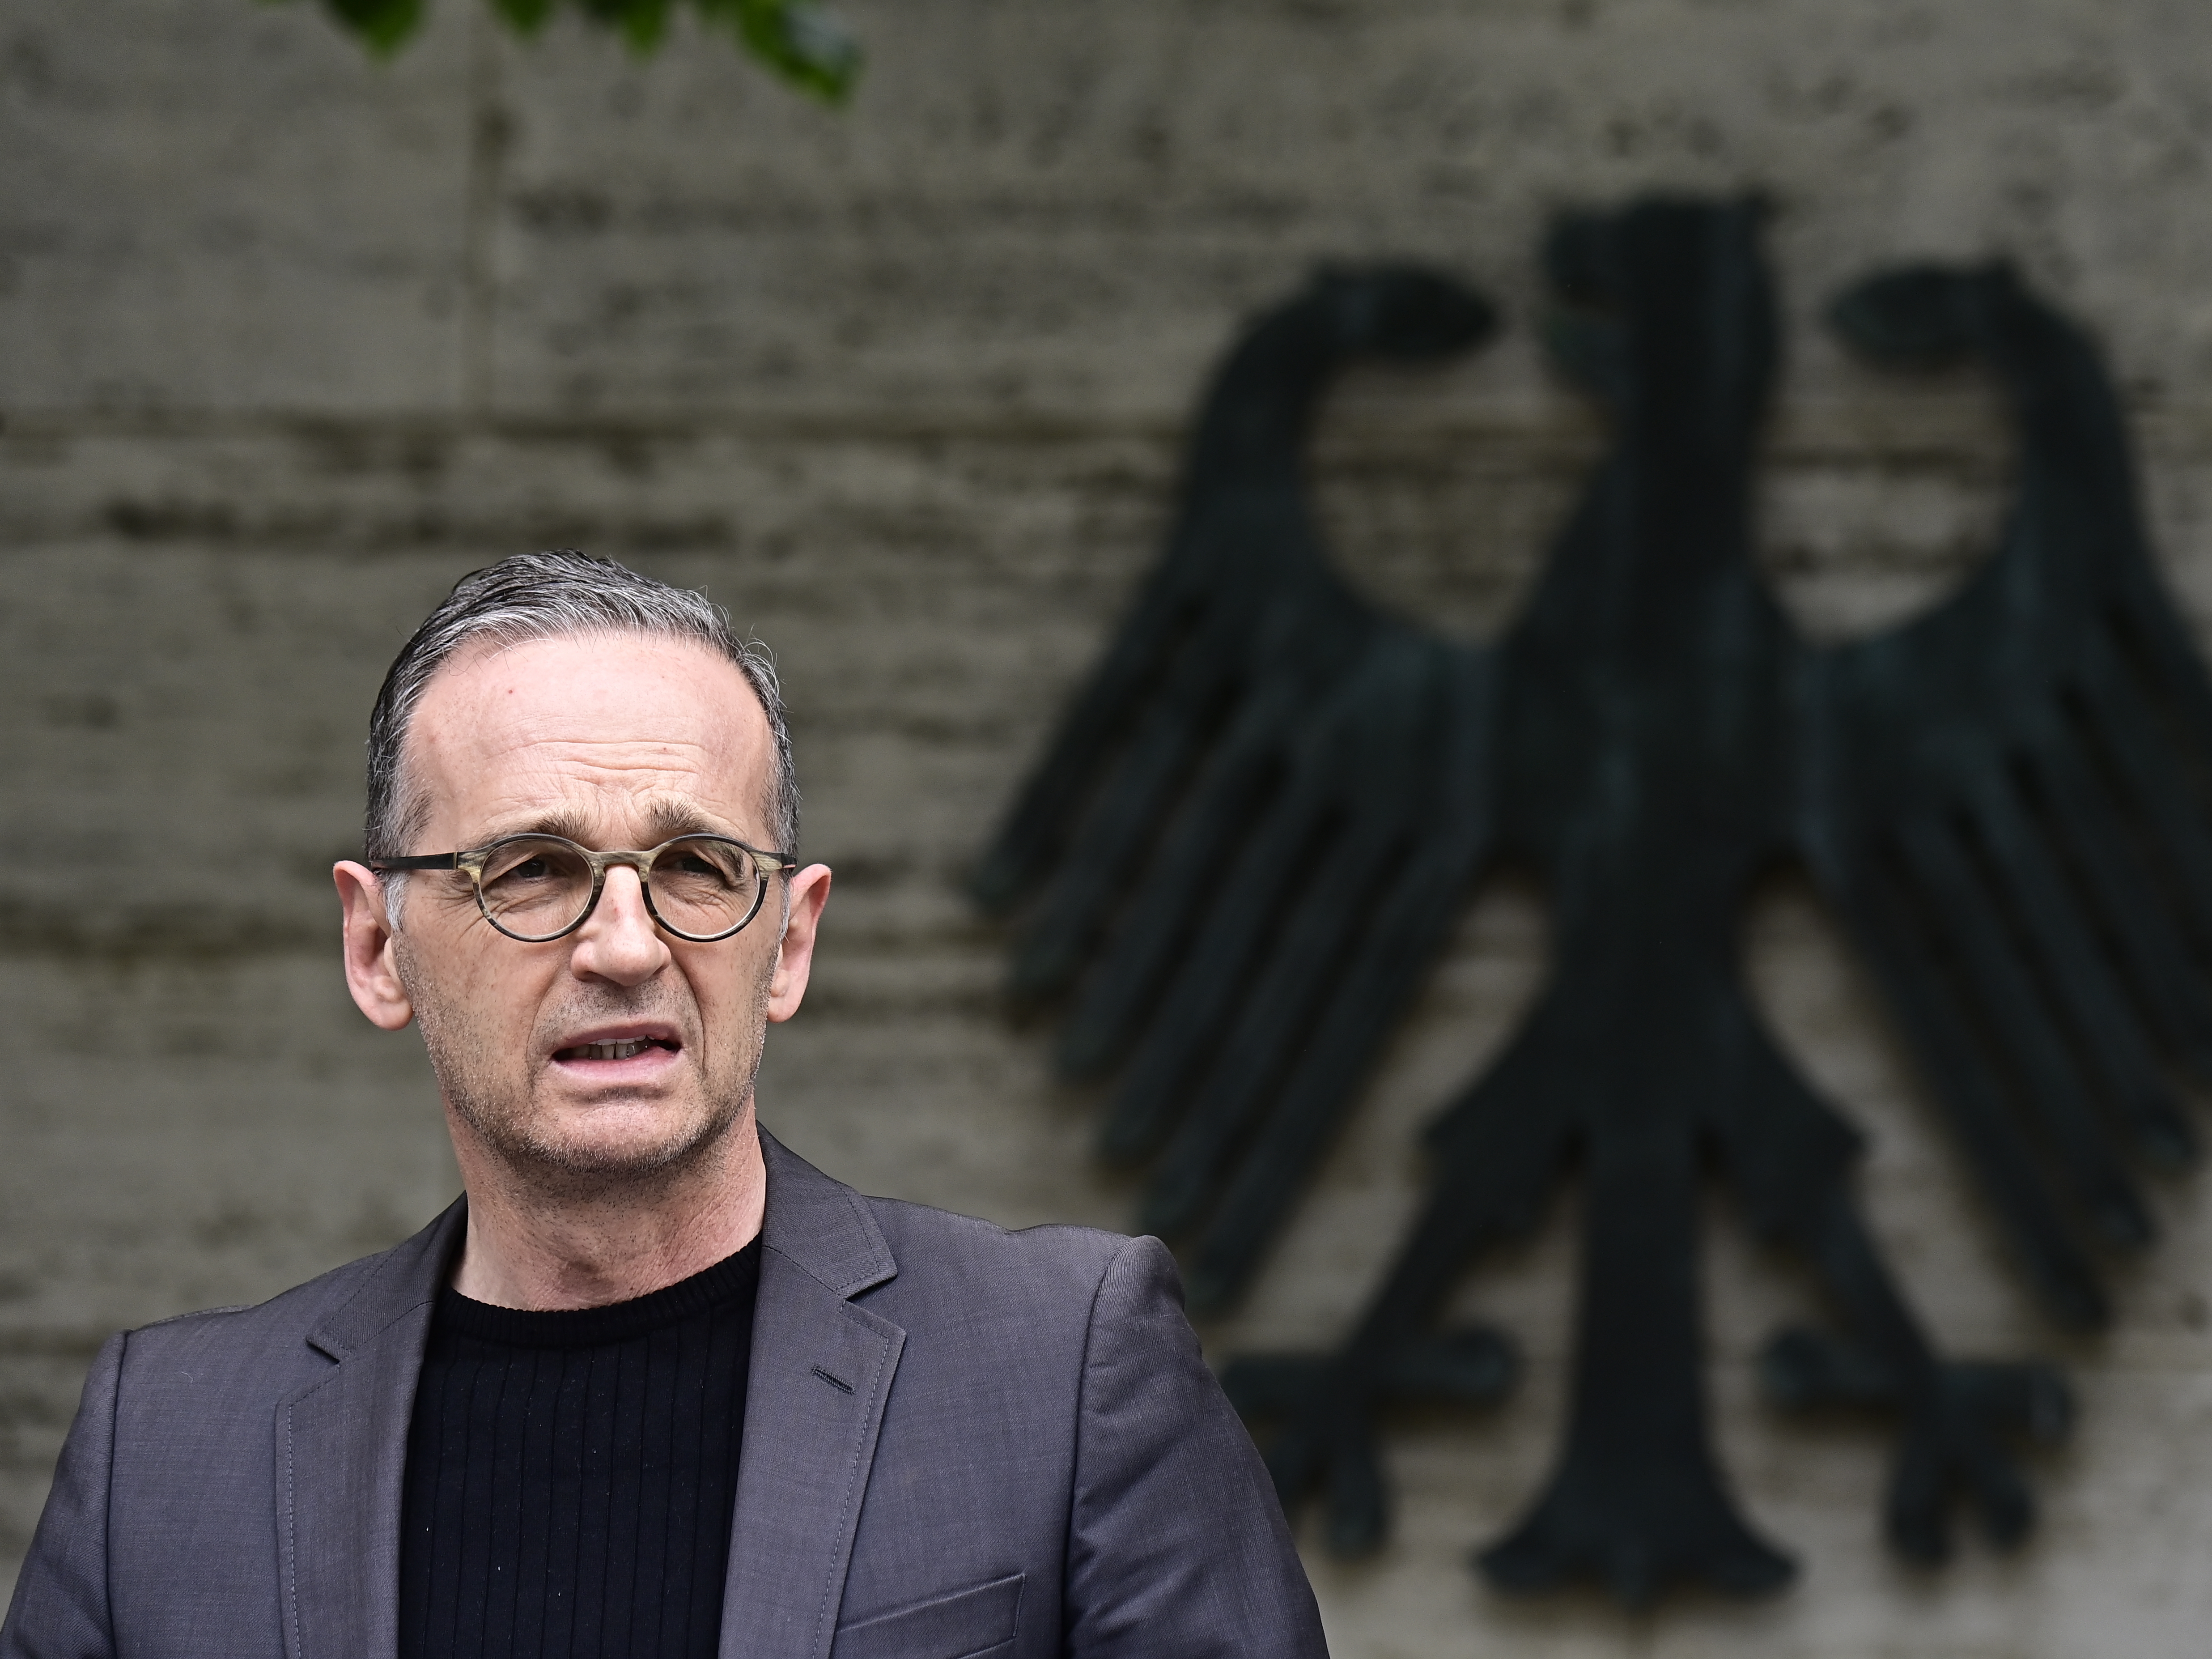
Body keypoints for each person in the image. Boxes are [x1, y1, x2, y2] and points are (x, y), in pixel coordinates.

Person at [1, 552, 1327, 1659]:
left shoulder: (1064, 1370)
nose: (626, 943)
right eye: (530, 867)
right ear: (375, 945)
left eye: (696, 864)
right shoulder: (167, 1447)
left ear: (791, 941)